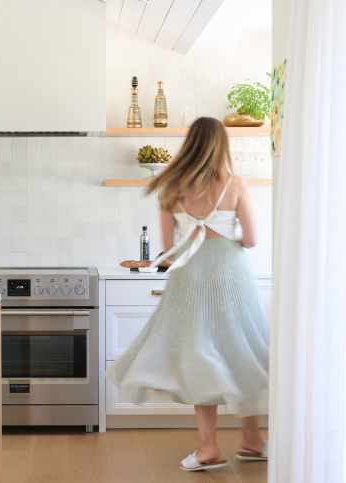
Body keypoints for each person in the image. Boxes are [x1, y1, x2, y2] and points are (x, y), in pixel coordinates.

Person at [105, 117, 270, 471]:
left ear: (190, 144)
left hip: (189, 276)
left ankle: (209, 447)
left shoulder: (171, 188)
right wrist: (227, 237)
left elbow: (169, 249)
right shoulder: (236, 184)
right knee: (242, 348)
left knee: (199, 353)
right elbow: (253, 239)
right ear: (221, 145)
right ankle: (252, 439)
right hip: (231, 274)